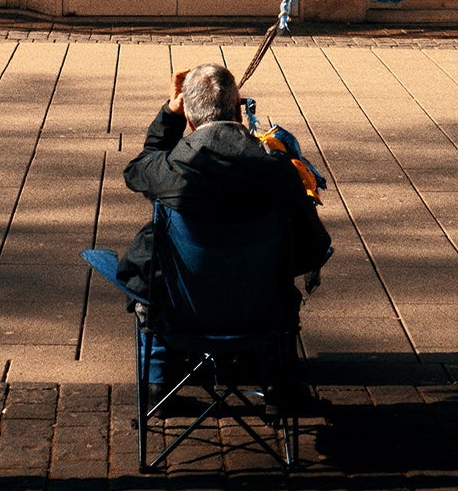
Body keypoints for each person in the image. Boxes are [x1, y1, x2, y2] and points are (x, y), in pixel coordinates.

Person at [117, 62, 331, 402]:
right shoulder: (279, 173)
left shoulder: (170, 170)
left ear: (189, 117)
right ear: (239, 109)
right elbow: (314, 247)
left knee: (148, 272)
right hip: (261, 312)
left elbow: (137, 170)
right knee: (276, 277)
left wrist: (170, 115)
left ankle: (158, 380)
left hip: (181, 311)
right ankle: (279, 382)